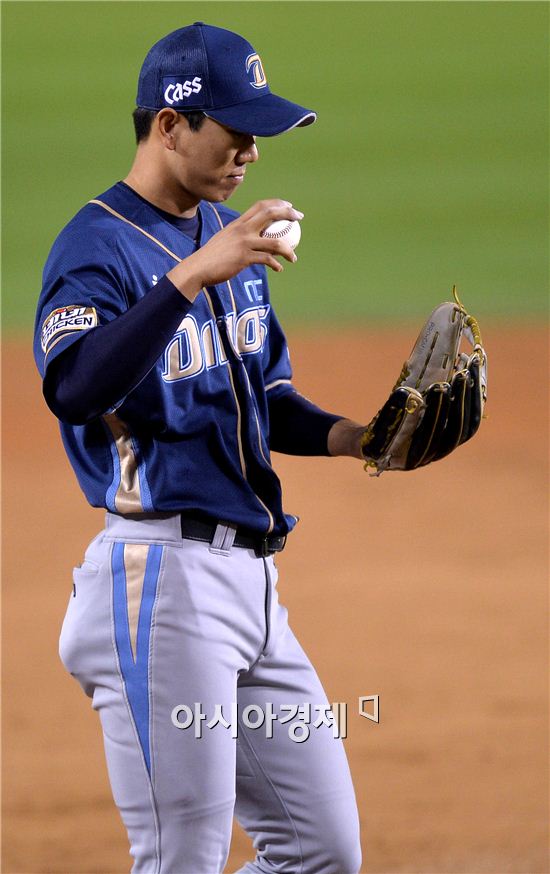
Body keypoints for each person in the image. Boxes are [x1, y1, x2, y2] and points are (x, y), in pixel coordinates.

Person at [34, 22, 366, 874]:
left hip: (255, 594)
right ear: (169, 125)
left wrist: (361, 439)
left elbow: (268, 397)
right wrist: (190, 278)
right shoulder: (94, 247)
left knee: (323, 853)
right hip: (161, 592)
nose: (251, 150)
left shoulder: (227, 239)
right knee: (180, 859)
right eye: (234, 129)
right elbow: (74, 390)